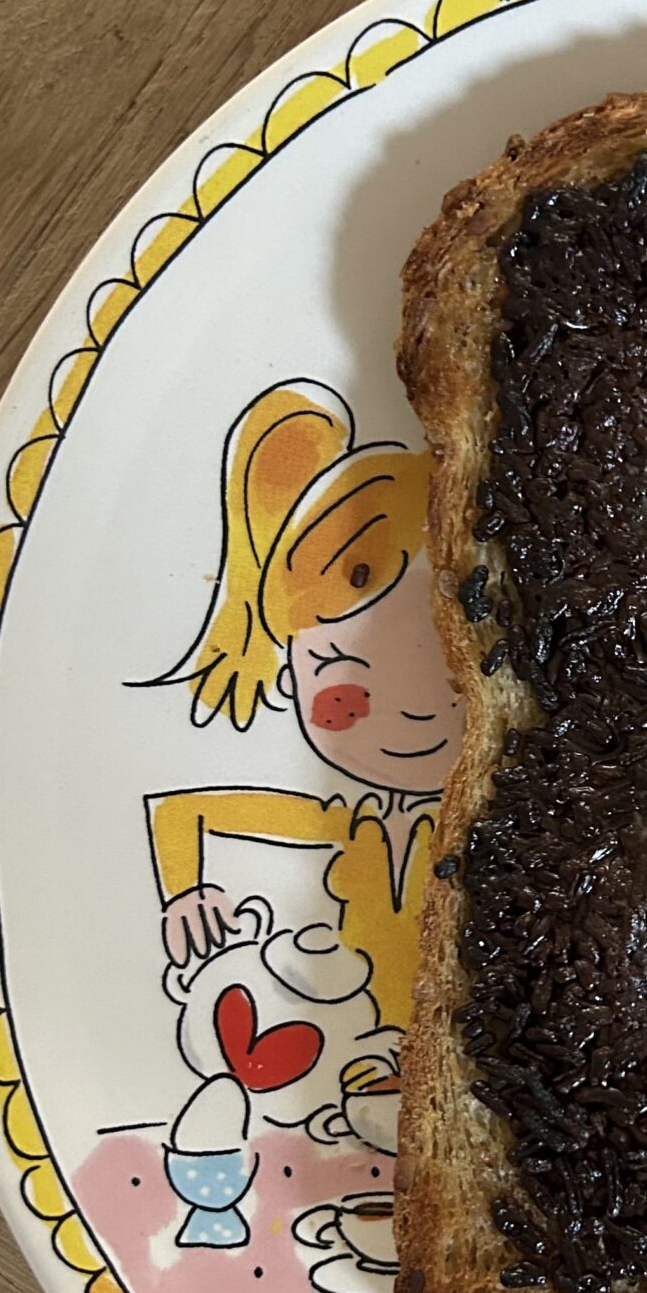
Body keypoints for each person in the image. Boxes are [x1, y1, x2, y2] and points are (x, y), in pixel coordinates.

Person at [146, 381, 462, 1030]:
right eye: (330, 671)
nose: (385, 708)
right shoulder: (345, 822)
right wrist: (186, 894)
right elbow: (184, 812)